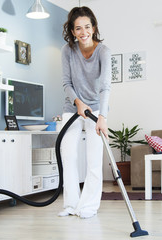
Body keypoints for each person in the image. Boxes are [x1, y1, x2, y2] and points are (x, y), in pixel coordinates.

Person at [58, 6, 111, 219]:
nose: (83, 32)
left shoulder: (103, 51)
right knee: (68, 155)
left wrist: (102, 117)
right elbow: (66, 83)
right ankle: (71, 205)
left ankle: (88, 206)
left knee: (93, 158)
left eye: (87, 27)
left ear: (94, 27)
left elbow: (105, 86)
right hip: (72, 108)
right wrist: (78, 103)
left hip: (96, 109)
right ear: (72, 31)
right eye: (78, 28)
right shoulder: (67, 51)